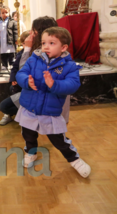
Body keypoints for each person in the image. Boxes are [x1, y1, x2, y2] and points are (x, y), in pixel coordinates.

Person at [15, 27, 91, 178]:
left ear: (63, 48)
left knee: (59, 140)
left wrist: (54, 84)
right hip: (29, 108)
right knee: (28, 134)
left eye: (51, 43)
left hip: (50, 111)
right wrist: (26, 81)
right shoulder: (33, 59)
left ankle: (74, 159)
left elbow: (73, 84)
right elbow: (21, 73)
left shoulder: (69, 67)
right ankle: (31, 152)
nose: (46, 46)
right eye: (44, 42)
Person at [0, 16, 58, 126]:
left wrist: (27, 48)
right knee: (13, 88)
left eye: (33, 30)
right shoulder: (47, 46)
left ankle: (35, 115)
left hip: (40, 94)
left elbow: (23, 72)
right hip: (35, 89)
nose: (30, 33)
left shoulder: (45, 51)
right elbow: (18, 68)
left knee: (4, 106)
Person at [0, 6, 17, 70]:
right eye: (3, 13)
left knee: (10, 53)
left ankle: (11, 63)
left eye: (6, 12)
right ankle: (4, 64)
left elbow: (15, 31)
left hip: (9, 40)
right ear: (0, 14)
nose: (4, 14)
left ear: (9, 13)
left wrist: (16, 39)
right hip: (2, 41)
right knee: (3, 53)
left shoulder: (12, 21)